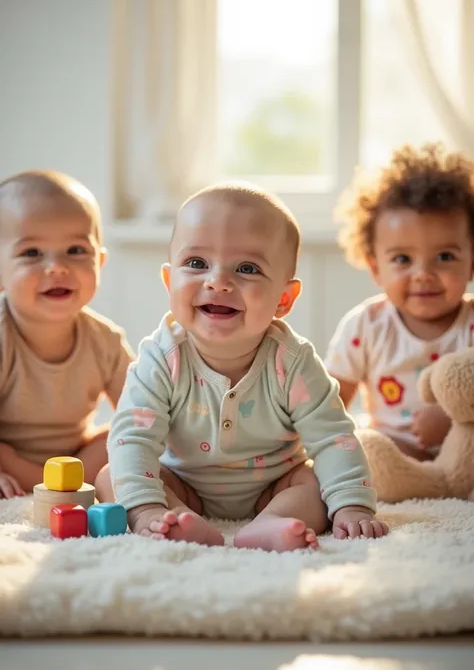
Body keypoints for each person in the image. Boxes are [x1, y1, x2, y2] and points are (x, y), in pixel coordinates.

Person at [97, 182, 388, 552]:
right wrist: (147, 504)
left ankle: (271, 524)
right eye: (197, 264)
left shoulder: (293, 362)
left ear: (283, 299)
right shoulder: (161, 358)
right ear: (170, 282)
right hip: (183, 482)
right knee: (115, 473)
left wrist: (352, 505)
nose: (218, 281)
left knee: (317, 484)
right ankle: (170, 519)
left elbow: (333, 437)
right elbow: (134, 436)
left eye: (247, 268)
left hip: (274, 487)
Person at [325, 143, 474, 461]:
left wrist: (452, 419)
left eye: (444, 256)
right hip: (394, 451)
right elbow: (328, 404)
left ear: (472, 261)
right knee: (366, 451)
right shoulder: (367, 325)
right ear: (376, 268)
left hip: (465, 452)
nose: (423, 274)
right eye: (403, 259)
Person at [0, 170, 134, 498]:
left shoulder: (105, 340)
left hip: (76, 461)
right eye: (32, 253)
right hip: (9, 459)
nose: (57, 267)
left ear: (100, 262)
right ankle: (40, 483)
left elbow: (143, 408)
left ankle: (59, 483)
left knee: (128, 431)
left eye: (75, 250)